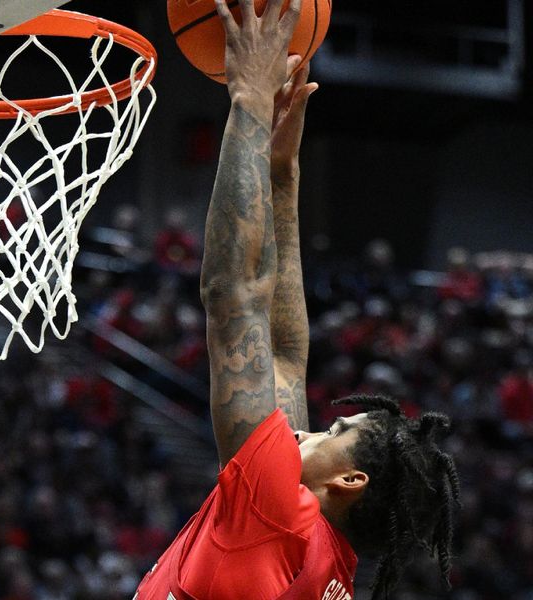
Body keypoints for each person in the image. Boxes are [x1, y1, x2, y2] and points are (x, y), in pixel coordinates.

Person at [133, 1, 460, 598]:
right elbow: (283, 354)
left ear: (351, 479)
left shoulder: (278, 517)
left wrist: (250, 103)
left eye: (332, 429)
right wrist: (282, 176)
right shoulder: (323, 561)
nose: (307, 429)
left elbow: (232, 299)